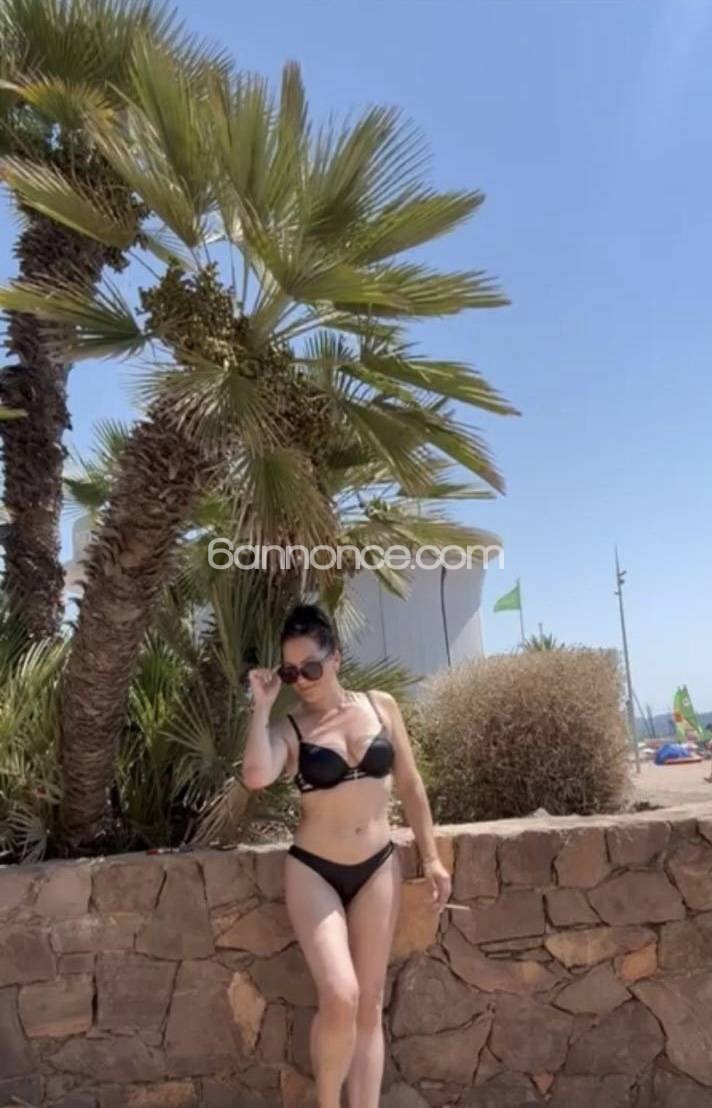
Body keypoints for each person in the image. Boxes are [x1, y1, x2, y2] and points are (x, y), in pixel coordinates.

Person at [242, 603, 451, 1108]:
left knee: (369, 1005)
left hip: (378, 866)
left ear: (335, 657)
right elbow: (256, 775)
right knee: (340, 994)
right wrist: (263, 707)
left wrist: (431, 857)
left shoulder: (381, 707)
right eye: (290, 672)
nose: (301, 681)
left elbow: (410, 784)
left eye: (311, 668)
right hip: (315, 871)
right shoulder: (290, 727)